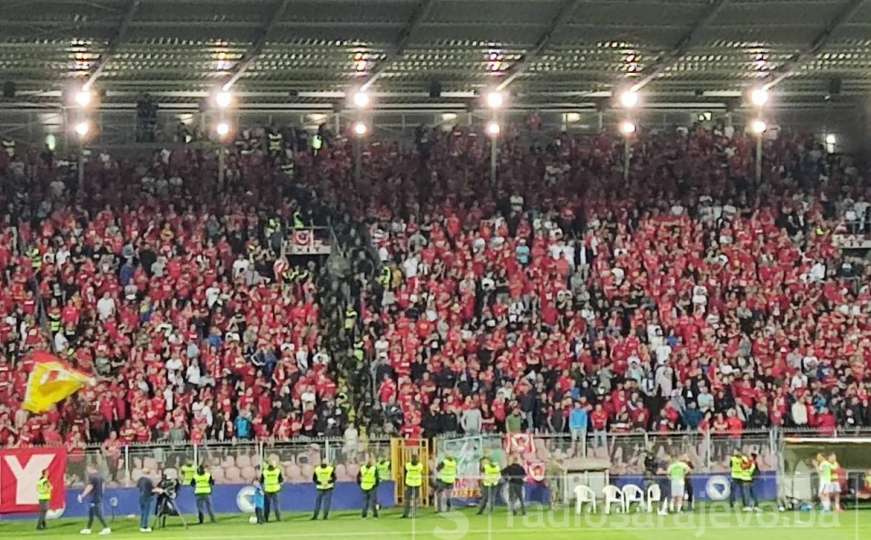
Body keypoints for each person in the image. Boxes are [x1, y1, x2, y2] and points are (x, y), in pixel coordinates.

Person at [78, 465, 111, 535]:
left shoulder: (92, 477)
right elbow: (103, 485)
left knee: (98, 513)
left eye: (87, 469)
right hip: (98, 496)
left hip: (94, 497)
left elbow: (90, 487)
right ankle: (88, 528)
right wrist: (101, 493)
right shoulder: (100, 476)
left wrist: (82, 495)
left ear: (91, 469)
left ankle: (106, 528)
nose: (87, 471)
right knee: (91, 513)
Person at [135, 468, 157, 532]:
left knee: (142, 512)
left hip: (141, 496)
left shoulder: (140, 480)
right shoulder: (148, 480)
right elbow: (152, 489)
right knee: (146, 513)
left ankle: (141, 526)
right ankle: (144, 527)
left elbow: (138, 486)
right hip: (147, 496)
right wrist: (159, 490)